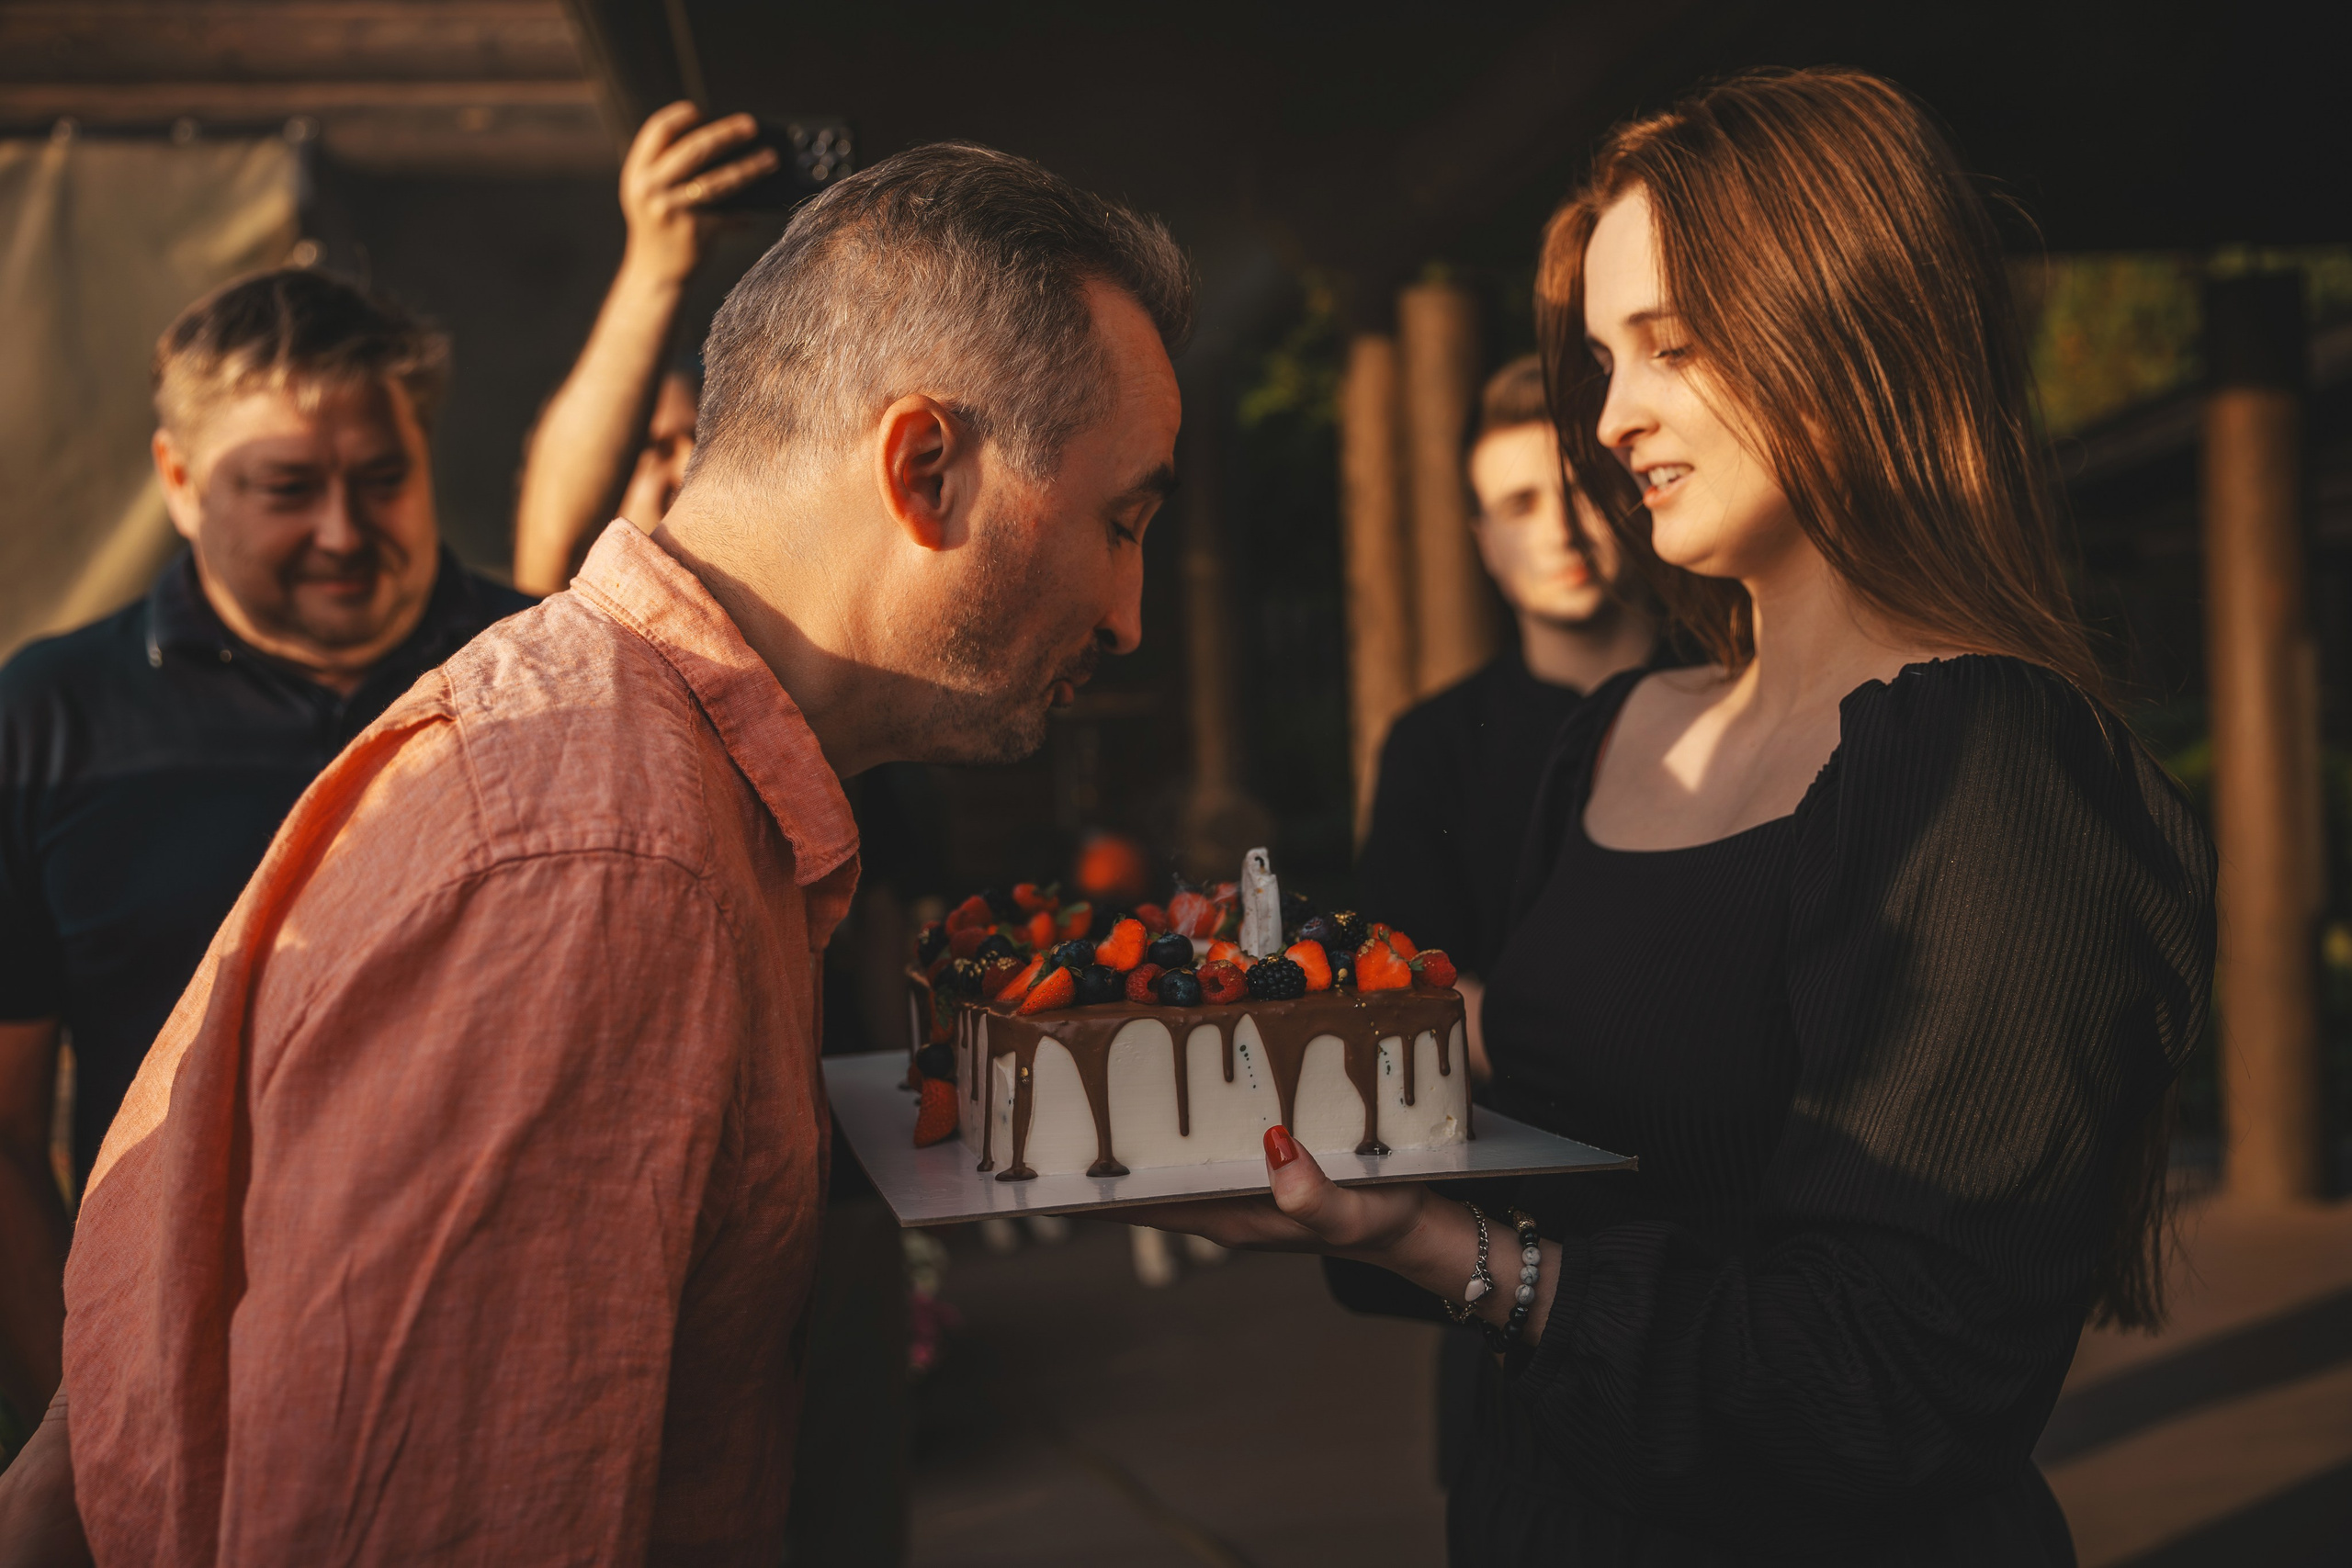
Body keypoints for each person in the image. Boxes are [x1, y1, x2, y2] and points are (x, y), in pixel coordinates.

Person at [1, 141, 1188, 1563]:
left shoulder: (634, 791)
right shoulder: (604, 864)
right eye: (1122, 521)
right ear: (924, 466)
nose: (1127, 612)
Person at [1135, 68, 2212, 1565]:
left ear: (1848, 329)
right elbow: (1562, 1122)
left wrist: (1450, 1253)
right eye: (1599, 358)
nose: (1613, 414)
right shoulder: (1620, 733)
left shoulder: (1994, 766)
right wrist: (1289, 1091)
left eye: (1671, 347)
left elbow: (1885, 1384)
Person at [0, 269, 530, 1440]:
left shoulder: (538, 679)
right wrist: (84, 1428)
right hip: (180, 1387)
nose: (344, 532)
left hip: (494, 1383)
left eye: (382, 479)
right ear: (180, 483)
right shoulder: (49, 718)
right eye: (286, 488)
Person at [1358, 354, 1657, 1086]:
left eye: (1582, 489)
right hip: (1518, 1146)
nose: (1561, 530)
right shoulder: (1433, 746)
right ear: (1484, 541)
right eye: (1521, 505)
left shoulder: (1740, 689)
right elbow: (1404, 979)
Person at [513, 101, 772, 594]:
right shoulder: (560, 651)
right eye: (652, 449)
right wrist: (655, 266)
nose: (690, 463)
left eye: (711, 441)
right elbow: (557, 551)